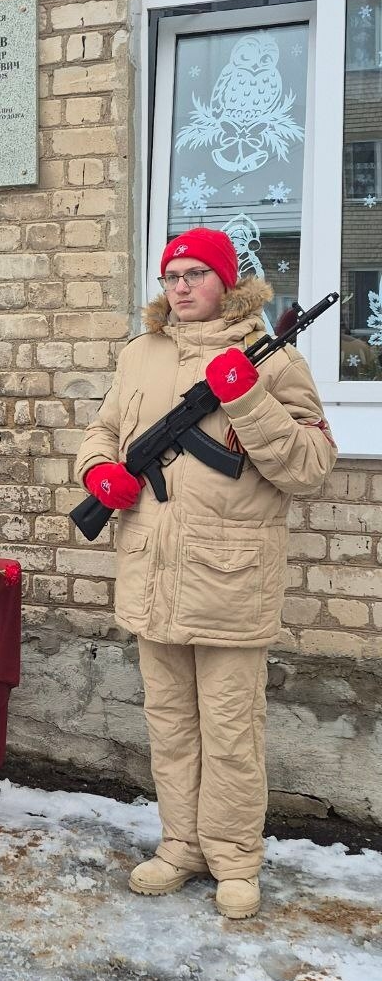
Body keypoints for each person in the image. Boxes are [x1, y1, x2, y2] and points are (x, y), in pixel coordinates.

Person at [75, 228, 336, 920]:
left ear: (228, 281)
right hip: (152, 572)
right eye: (172, 276)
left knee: (230, 729)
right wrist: (99, 472)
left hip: (231, 580)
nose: (182, 287)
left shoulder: (272, 361)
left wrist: (248, 400)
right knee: (170, 724)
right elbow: (102, 432)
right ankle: (181, 845)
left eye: (196, 274)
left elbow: (309, 469)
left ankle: (234, 860)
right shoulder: (140, 356)